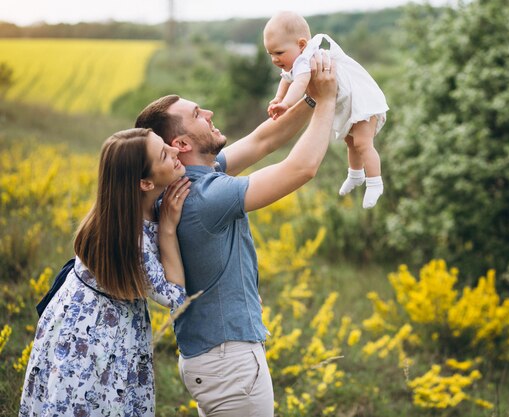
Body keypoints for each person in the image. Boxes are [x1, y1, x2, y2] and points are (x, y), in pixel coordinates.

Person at [134, 52, 336, 417]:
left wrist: (309, 97)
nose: (208, 113)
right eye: (197, 114)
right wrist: (329, 100)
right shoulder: (207, 196)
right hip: (229, 363)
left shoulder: (183, 180)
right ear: (180, 145)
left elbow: (264, 140)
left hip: (213, 359)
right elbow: (302, 168)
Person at [19, 128, 191, 417]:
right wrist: (169, 228)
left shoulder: (121, 208)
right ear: (145, 183)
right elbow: (176, 296)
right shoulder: (131, 239)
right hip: (94, 339)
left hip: (76, 320)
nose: (176, 151)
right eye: (164, 153)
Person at [263, 11, 389, 208]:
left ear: (301, 45)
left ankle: (375, 183)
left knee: (363, 143)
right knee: (351, 141)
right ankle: (355, 175)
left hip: (363, 102)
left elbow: (299, 83)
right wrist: (278, 97)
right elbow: (286, 79)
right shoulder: (296, 61)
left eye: (279, 53)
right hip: (348, 104)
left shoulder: (306, 59)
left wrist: (286, 104)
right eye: (270, 54)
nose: (274, 59)